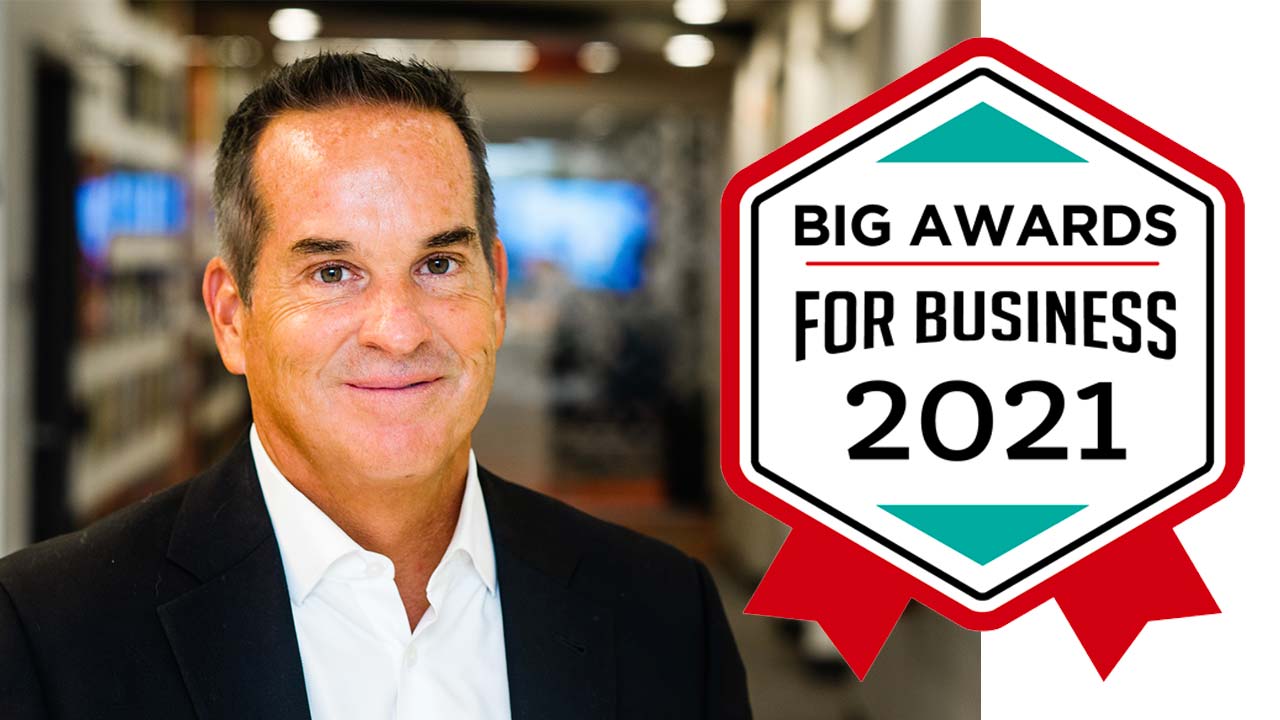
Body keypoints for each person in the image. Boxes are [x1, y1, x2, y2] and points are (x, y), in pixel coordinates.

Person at [0, 52, 751, 719]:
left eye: (438, 265)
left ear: (496, 293)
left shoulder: (666, 614)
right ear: (232, 318)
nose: (398, 331)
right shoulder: (47, 631)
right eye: (333, 272)